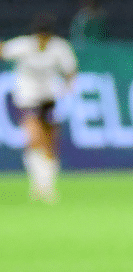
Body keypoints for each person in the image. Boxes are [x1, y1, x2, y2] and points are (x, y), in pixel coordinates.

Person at [0, 12, 78, 202]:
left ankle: (46, 185)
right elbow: (3, 51)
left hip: (49, 99)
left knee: (50, 144)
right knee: (34, 138)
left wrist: (68, 85)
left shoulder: (59, 48)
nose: (43, 40)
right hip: (27, 99)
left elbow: (70, 70)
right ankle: (39, 185)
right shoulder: (24, 46)